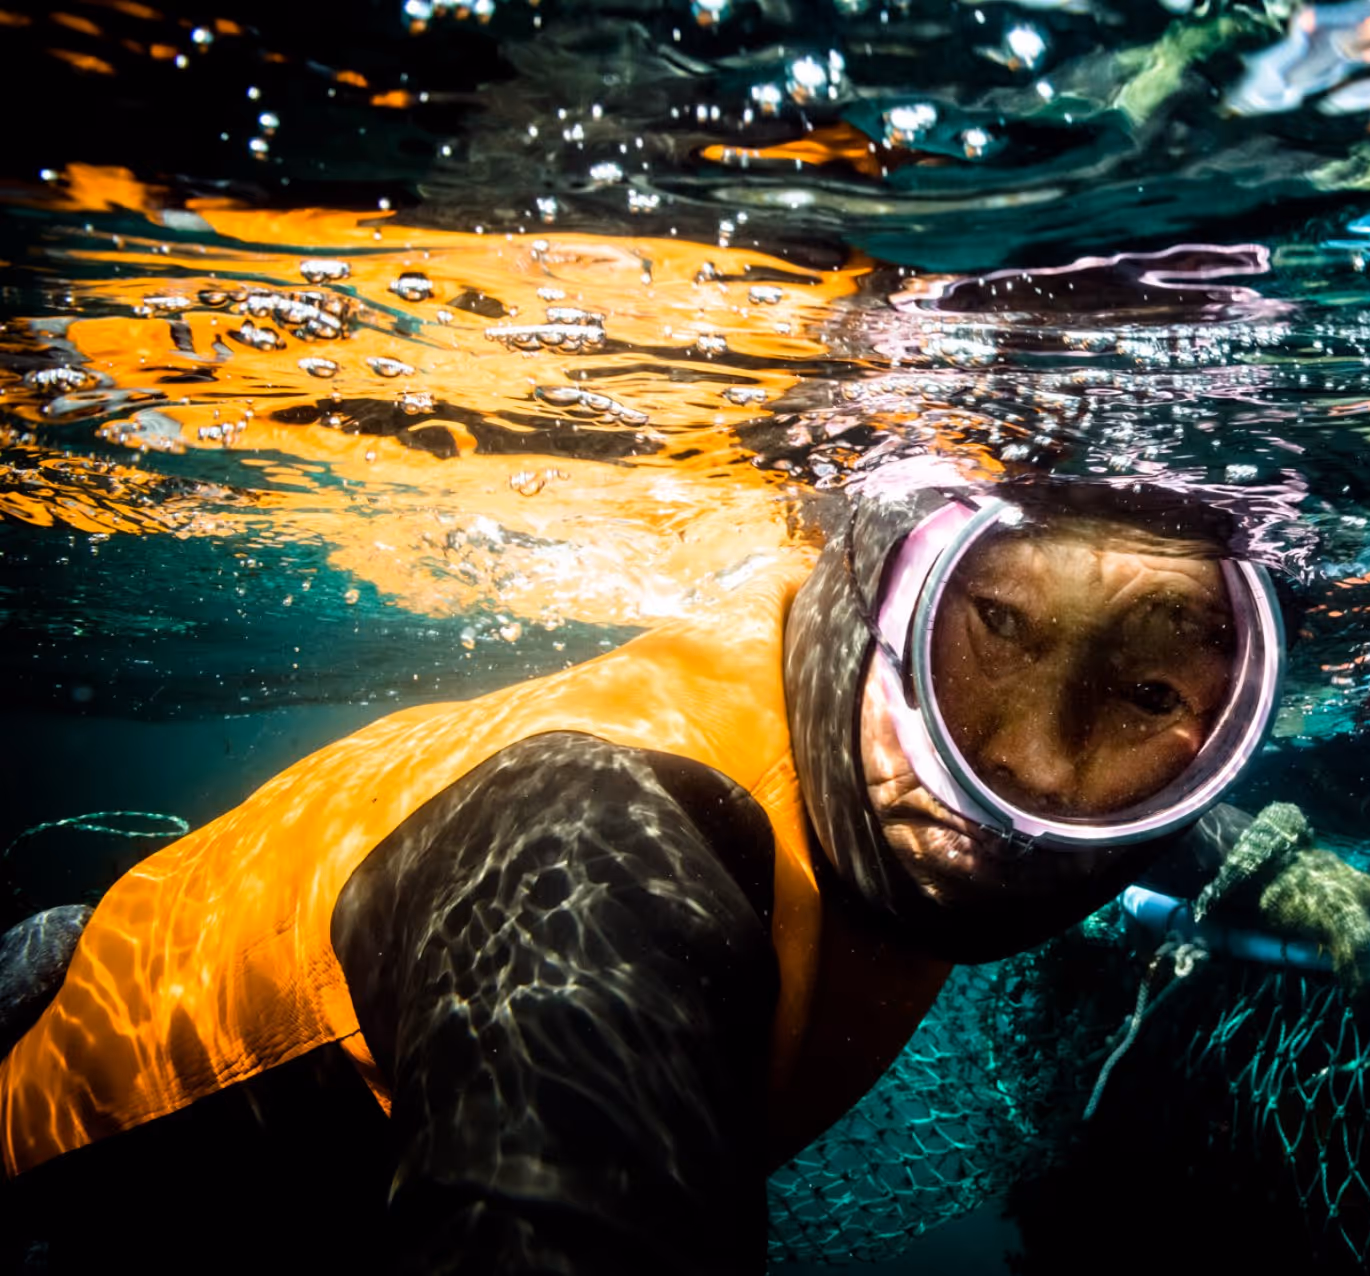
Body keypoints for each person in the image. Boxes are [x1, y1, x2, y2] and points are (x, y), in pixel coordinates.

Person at [0, 459, 1290, 1275]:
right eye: (991, 631)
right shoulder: (594, 855)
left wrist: (1234, 843)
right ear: (864, 598)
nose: (1029, 785)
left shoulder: (945, 774)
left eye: (1147, 692)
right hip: (91, 1168)